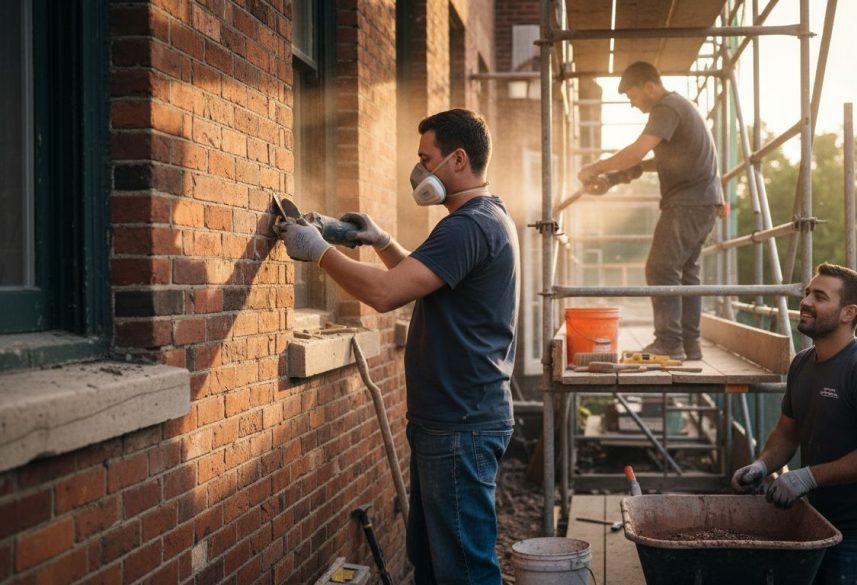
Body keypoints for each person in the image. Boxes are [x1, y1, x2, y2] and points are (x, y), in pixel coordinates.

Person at [276, 109, 520, 585]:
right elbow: (425, 277)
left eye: (425, 158)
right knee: (432, 562)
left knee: (464, 573)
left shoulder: (467, 226)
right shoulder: (483, 218)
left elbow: (388, 294)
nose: (419, 171)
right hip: (453, 421)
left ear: (458, 159)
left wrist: (320, 252)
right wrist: (381, 241)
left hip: (460, 425)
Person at [731, 263, 857, 585]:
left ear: (848, 312)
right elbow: (786, 433)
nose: (806, 301)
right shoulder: (802, 363)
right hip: (816, 520)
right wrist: (762, 465)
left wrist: (807, 477)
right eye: (807, 293)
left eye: (819, 296)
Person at [577, 61, 723, 361]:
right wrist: (615, 178)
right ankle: (689, 345)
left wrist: (595, 166)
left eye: (632, 96)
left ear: (649, 86)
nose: (632, 105)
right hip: (703, 201)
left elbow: (637, 151)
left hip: (688, 202)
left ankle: (670, 343)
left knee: (661, 268)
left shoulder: (666, 107)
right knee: (685, 274)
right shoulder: (680, 108)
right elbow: (655, 162)